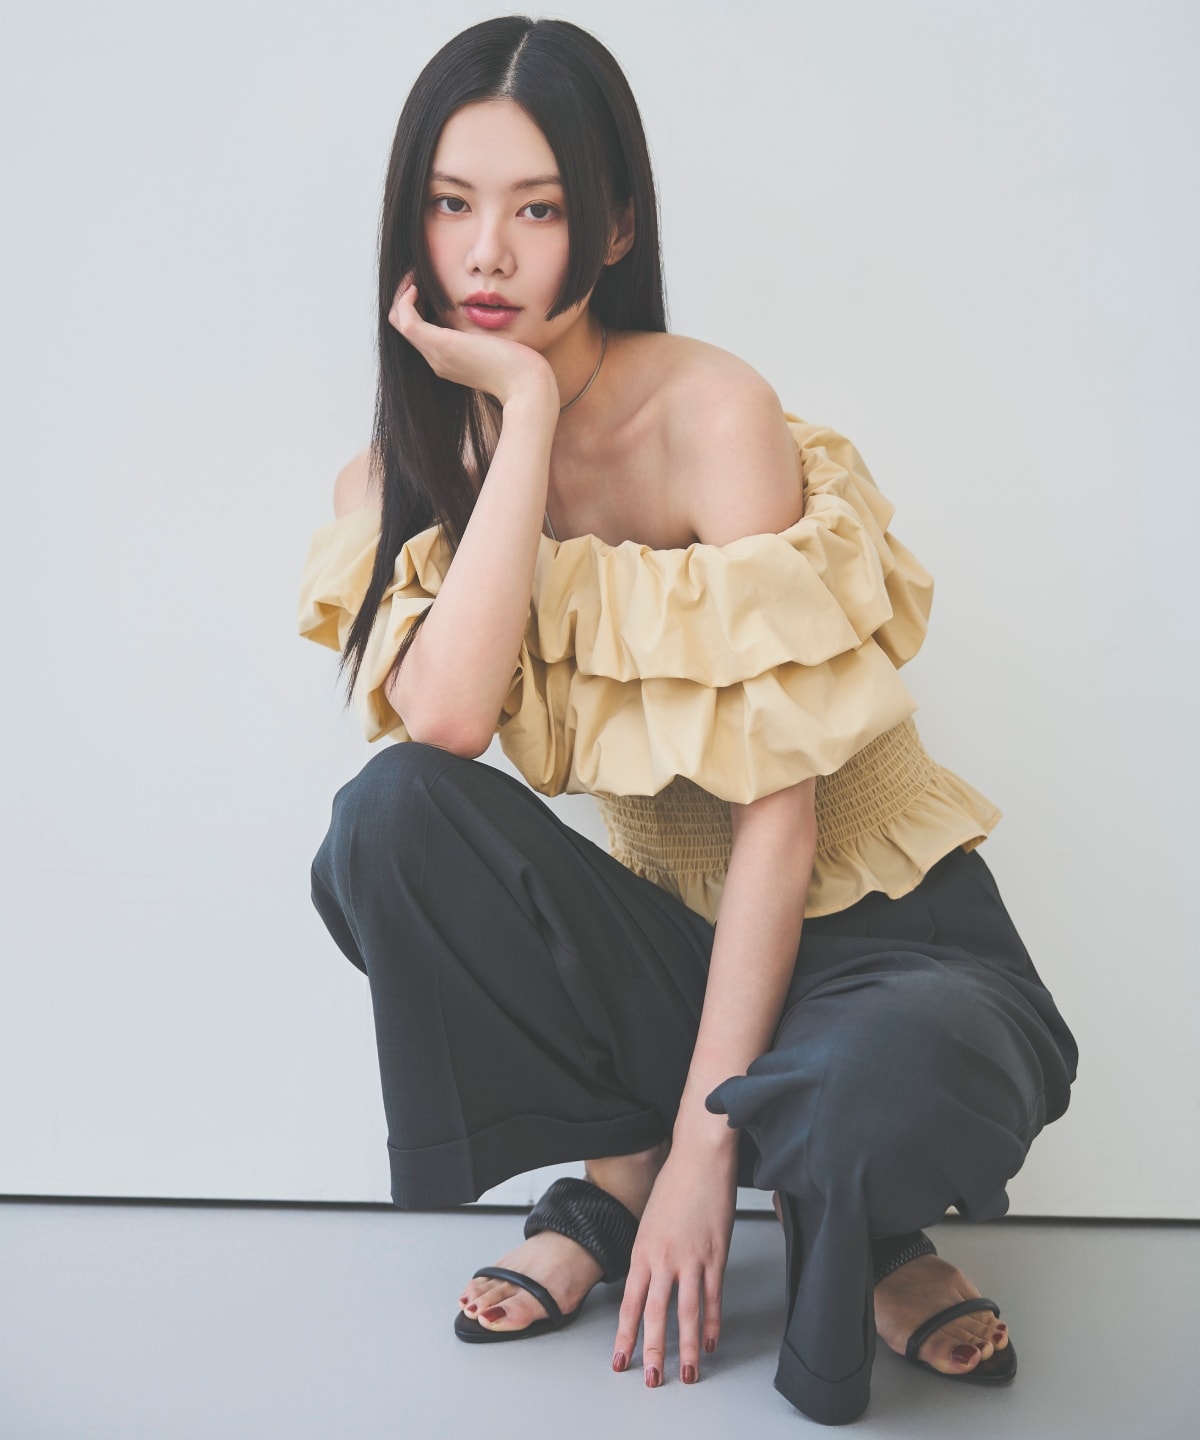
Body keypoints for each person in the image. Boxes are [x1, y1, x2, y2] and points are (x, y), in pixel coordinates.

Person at [297, 14, 1079, 1428]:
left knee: (877, 1077)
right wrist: (522, 410)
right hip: (680, 952)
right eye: (452, 205)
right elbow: (446, 725)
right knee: (386, 820)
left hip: (884, 947)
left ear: (611, 227)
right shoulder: (398, 473)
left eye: (538, 210)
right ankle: (641, 1165)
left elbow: (779, 813)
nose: (487, 255)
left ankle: (830, 1207)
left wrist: (714, 1162)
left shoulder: (716, 414)